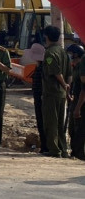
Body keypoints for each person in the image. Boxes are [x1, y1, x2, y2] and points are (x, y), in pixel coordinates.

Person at [41, 25, 72, 158]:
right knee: (60, 123)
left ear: (46, 37)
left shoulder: (50, 53)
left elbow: (55, 72)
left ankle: (54, 150)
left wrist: (63, 84)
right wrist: (67, 87)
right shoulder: (63, 52)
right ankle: (63, 149)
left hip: (52, 93)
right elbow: (69, 73)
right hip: (62, 94)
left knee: (51, 122)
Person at [22, 43, 47, 153]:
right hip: (39, 98)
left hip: (41, 99)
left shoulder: (42, 69)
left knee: (42, 123)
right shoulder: (39, 67)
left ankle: (45, 146)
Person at [67, 43, 85, 160]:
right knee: (72, 129)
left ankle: (79, 154)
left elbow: (84, 89)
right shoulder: (76, 68)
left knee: (80, 129)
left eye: (71, 55)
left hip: (81, 103)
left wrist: (78, 107)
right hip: (75, 101)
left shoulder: (82, 68)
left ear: (76, 55)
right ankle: (75, 152)